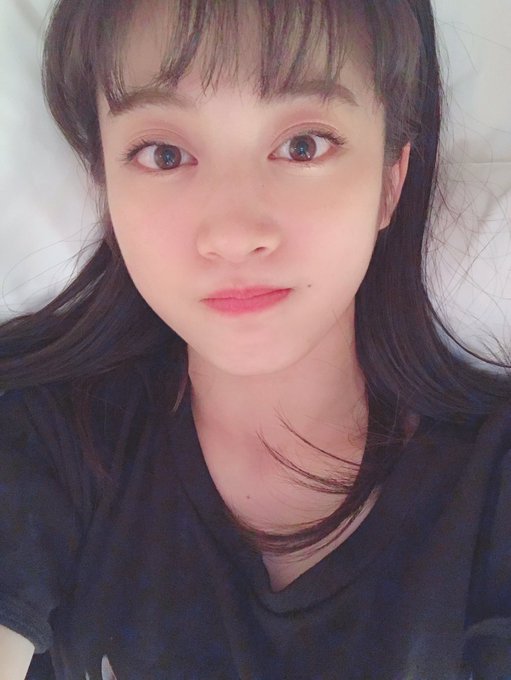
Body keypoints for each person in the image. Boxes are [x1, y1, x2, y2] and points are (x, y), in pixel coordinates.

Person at [1, 0, 510, 678]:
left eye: (304, 146)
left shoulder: (492, 486)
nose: (233, 235)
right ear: (106, 187)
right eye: (163, 154)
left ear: (390, 182)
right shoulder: (39, 438)